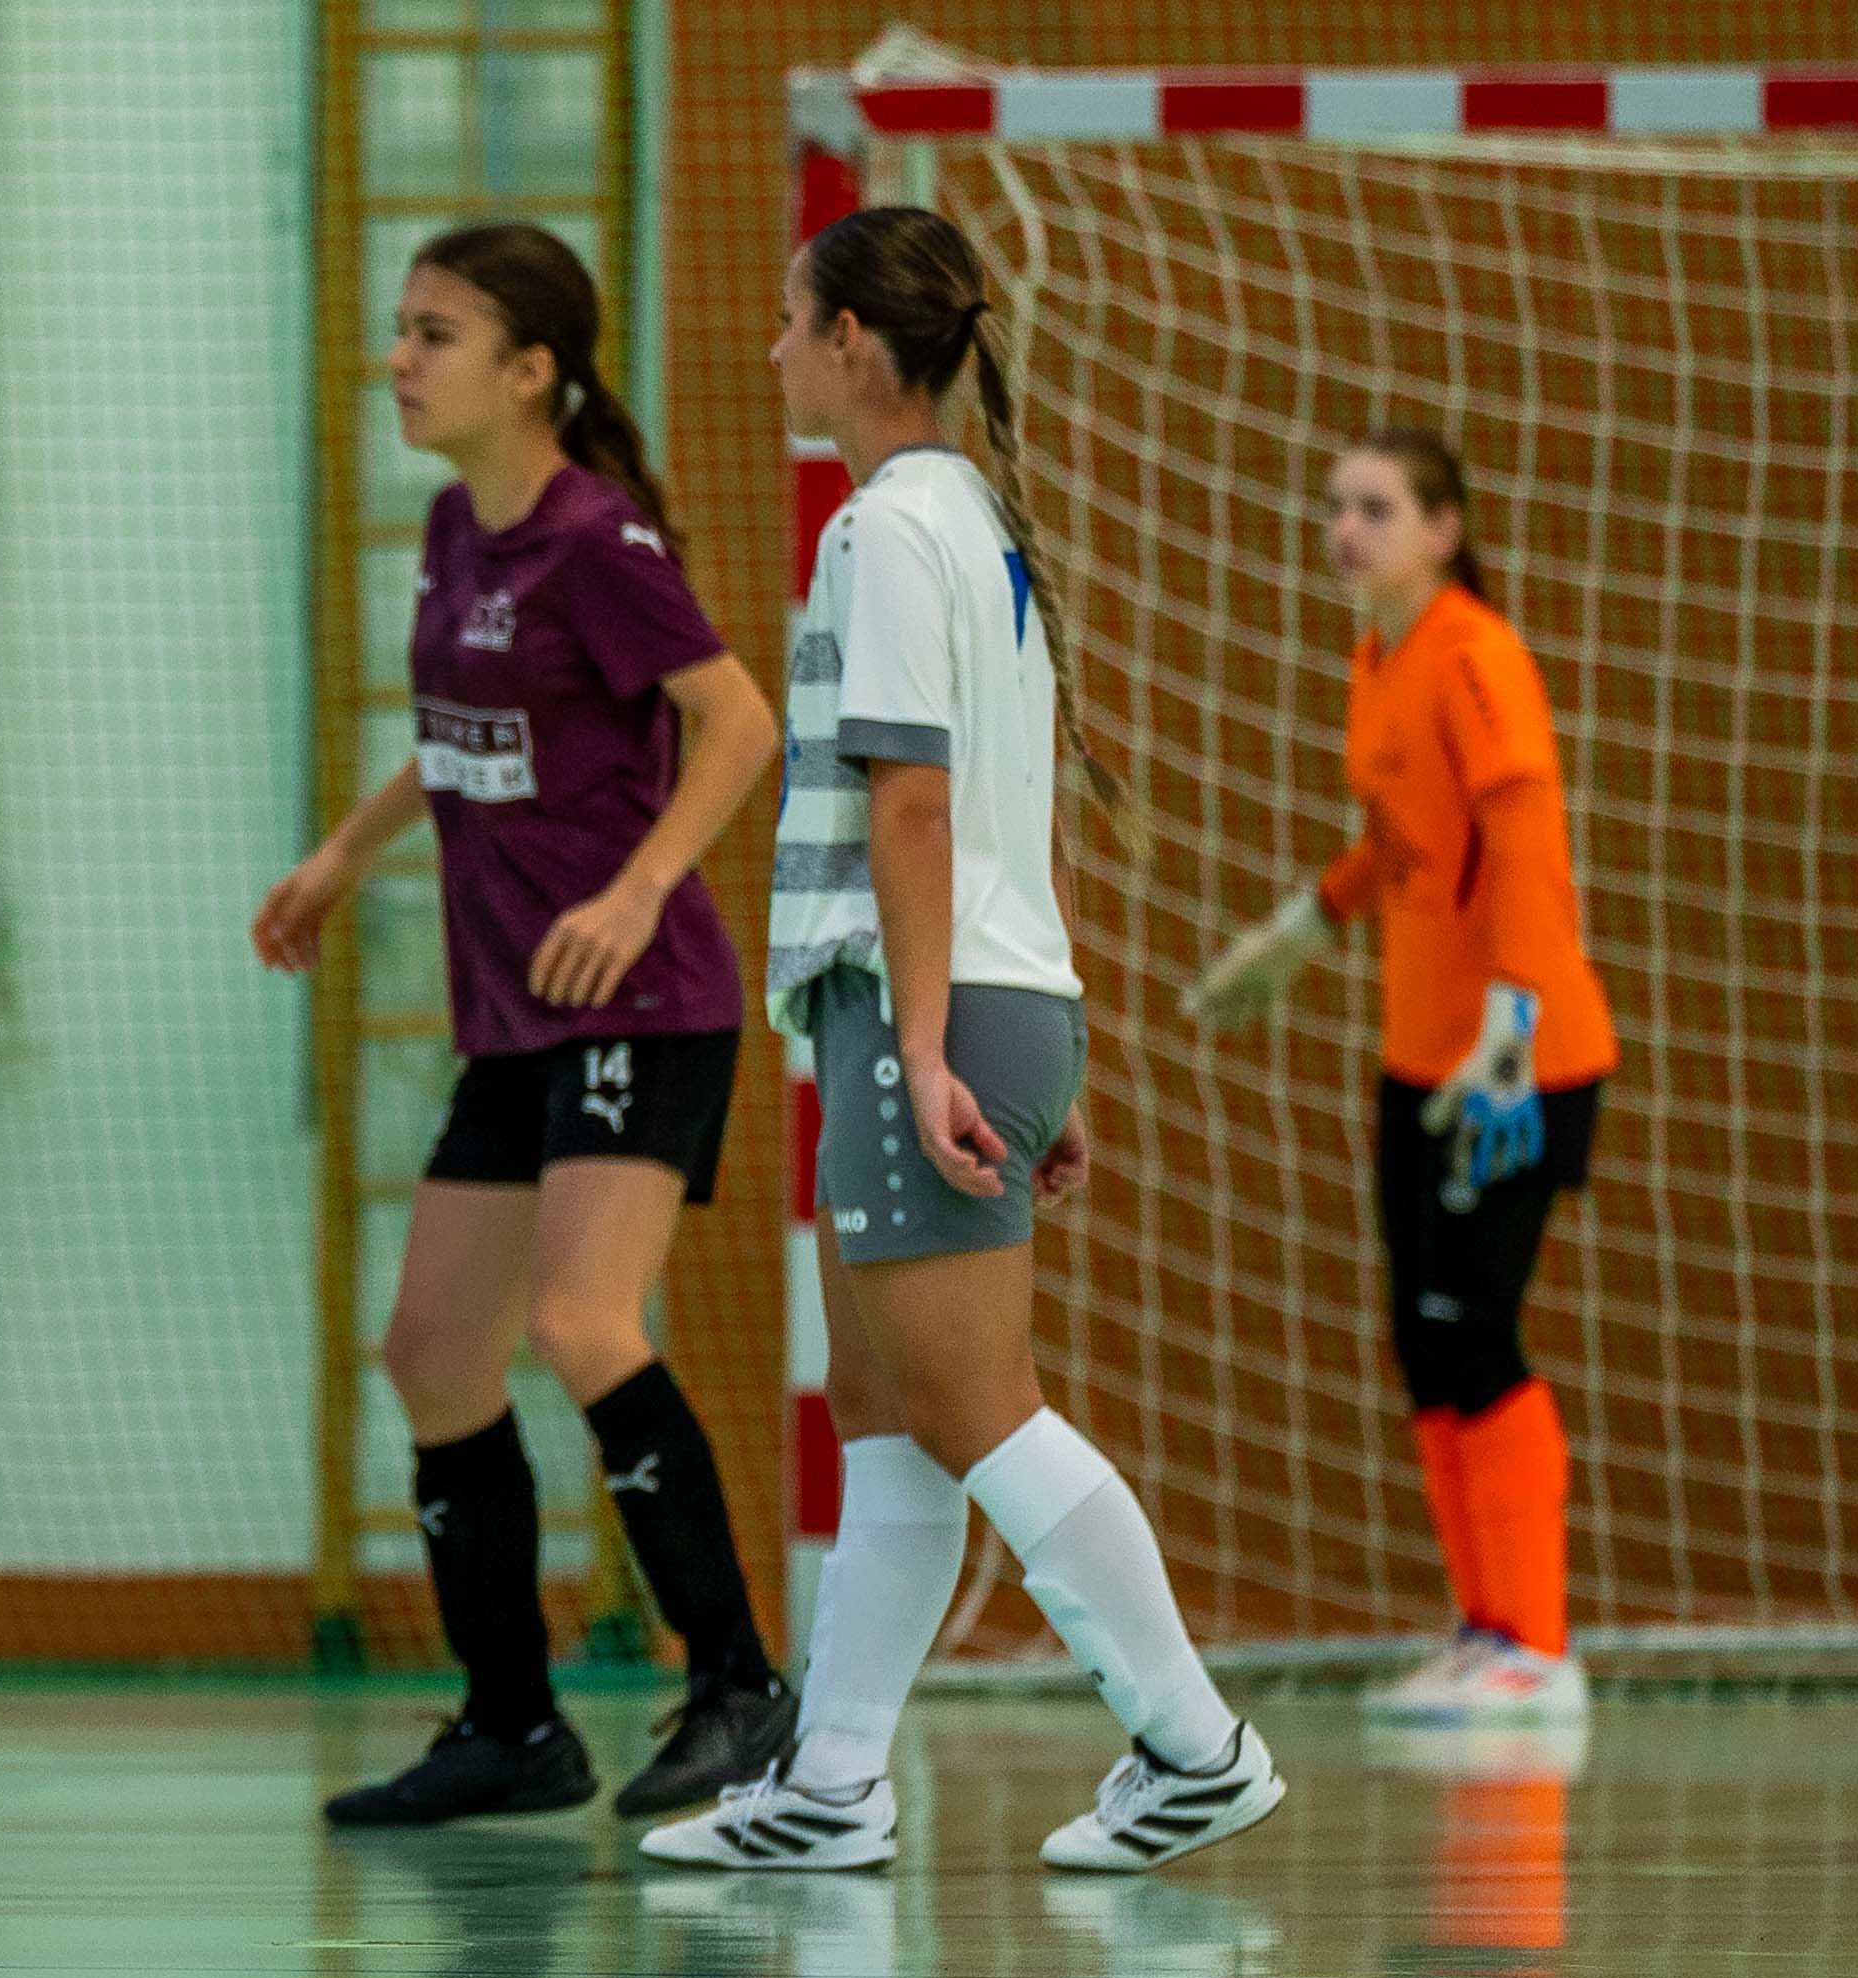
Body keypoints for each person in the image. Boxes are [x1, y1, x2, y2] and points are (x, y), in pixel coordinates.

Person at [644, 205, 1285, 1880]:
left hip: (919, 1010)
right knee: (881, 1405)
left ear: (852, 341)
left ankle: (1196, 1747)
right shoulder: (972, 524)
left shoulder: (885, 531)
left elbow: (916, 804)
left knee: (976, 1404)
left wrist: (925, 1048)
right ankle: (833, 1781)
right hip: (970, 1003)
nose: (771, 350)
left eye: (790, 319)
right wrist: (1013, 1048)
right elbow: (999, 817)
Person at [255, 223, 802, 1828]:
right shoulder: (455, 530)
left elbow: (737, 722)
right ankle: (512, 1726)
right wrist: (344, 856)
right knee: (432, 1352)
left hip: (641, 1000)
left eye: (434, 334)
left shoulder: (591, 542)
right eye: (399, 327)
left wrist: (638, 889)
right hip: (516, 1016)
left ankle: (739, 1687)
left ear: (529, 370)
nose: (398, 360)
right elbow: (460, 732)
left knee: (581, 1321)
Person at [1182, 426, 1621, 1725]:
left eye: (1375, 507)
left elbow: (1521, 842)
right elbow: (1401, 843)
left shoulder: (1475, 656)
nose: (1345, 529)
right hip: (1417, 1059)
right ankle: (1484, 1629)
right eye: (1335, 506)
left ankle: (1536, 1645)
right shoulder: (1377, 658)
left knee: (1474, 1331)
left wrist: (1511, 1022)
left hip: (1515, 1064)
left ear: (1444, 527)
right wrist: (1303, 926)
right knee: (1423, 1346)